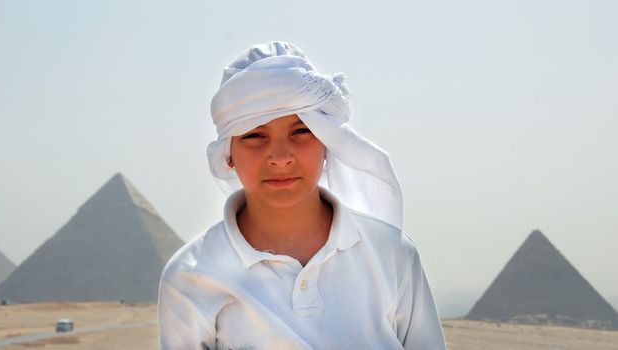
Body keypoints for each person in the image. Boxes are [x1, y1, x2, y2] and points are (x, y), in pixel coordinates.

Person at [158, 41, 446, 350]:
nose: (281, 157)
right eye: (255, 135)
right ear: (228, 154)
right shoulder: (190, 277)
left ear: (328, 141)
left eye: (301, 131)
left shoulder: (393, 255)